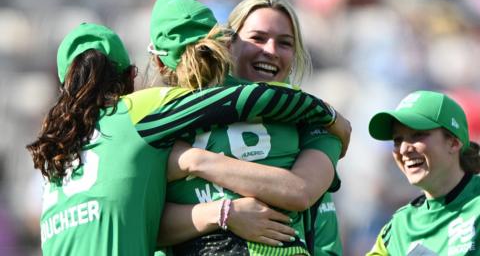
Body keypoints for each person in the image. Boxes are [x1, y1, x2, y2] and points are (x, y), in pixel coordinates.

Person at [26, 22, 347, 256]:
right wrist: (330, 116)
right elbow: (237, 101)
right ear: (130, 77)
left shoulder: (54, 157)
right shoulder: (134, 112)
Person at [154, 0, 346, 256]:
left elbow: (301, 191)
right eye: (257, 38)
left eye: (285, 43)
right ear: (228, 44)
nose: (270, 51)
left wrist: (195, 161)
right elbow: (148, 224)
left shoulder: (313, 125)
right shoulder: (181, 112)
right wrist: (223, 213)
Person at [366, 90, 480, 255]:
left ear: (454, 143)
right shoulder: (399, 227)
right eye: (397, 140)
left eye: (417, 135)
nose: (404, 149)